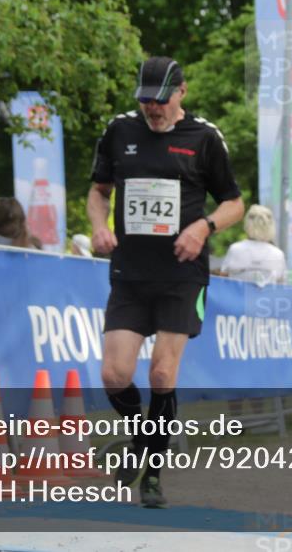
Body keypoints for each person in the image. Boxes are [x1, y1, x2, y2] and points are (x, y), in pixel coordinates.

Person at [87, 56, 244, 508]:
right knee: (114, 374)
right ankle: (142, 441)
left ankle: (152, 471)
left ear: (181, 93)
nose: (151, 109)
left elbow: (233, 202)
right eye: (143, 100)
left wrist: (203, 228)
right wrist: (99, 225)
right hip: (131, 272)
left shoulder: (204, 137)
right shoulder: (119, 130)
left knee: (160, 372)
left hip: (182, 275)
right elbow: (98, 191)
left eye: (159, 101)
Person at [220, 205, 286, 287]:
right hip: (266, 299)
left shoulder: (235, 249)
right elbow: (281, 286)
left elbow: (222, 280)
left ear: (247, 223)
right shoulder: (278, 254)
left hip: (237, 298)